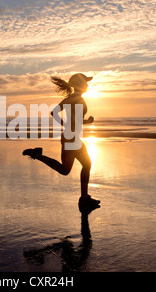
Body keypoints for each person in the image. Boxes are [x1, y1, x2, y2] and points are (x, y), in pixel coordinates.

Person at [23, 73, 100, 212]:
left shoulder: (73, 98)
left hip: (73, 137)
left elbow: (59, 114)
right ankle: (37, 154)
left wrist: (85, 121)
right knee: (65, 170)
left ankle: (84, 198)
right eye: (86, 82)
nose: (88, 85)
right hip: (70, 138)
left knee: (86, 164)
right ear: (80, 84)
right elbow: (58, 114)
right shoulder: (75, 99)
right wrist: (67, 125)